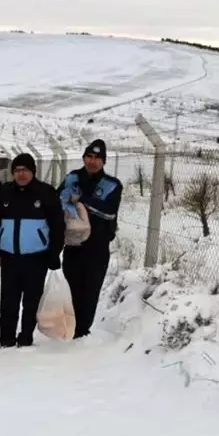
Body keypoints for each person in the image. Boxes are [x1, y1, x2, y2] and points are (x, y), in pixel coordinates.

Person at [0, 153, 64, 348]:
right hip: (10, 257)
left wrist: (54, 252)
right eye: (17, 170)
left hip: (36, 258)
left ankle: (26, 337)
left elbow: (58, 226)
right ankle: (6, 338)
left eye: (25, 170)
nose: (21, 174)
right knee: (8, 301)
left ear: (33, 171)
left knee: (31, 301)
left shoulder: (46, 193)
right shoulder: (4, 192)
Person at [59, 139, 123, 339]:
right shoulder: (72, 178)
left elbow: (109, 212)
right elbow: (57, 199)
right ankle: (69, 328)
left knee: (90, 291)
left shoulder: (112, 185)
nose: (92, 161)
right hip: (73, 245)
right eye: (89, 156)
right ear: (84, 158)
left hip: (97, 248)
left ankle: (82, 333)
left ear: (103, 161)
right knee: (71, 289)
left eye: (97, 158)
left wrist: (83, 201)